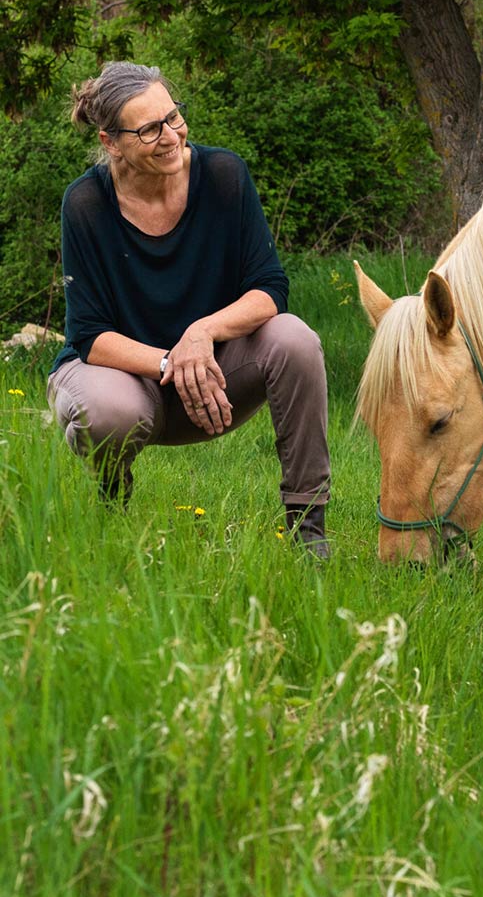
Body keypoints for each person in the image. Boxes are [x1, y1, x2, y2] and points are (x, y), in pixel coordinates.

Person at [46, 61, 332, 557]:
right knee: (110, 412)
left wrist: (202, 333)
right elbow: (90, 335)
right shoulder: (85, 203)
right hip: (127, 379)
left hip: (214, 378)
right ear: (111, 142)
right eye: (149, 129)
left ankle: (308, 529)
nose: (171, 137)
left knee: (296, 340)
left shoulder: (223, 175)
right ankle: (113, 500)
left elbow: (269, 288)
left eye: (173, 117)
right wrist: (172, 363)